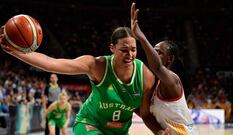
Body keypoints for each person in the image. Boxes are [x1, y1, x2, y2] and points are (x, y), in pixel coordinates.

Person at [0, 25, 168, 134]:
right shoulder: (96, 65)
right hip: (90, 123)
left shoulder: (145, 75)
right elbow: (52, 63)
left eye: (133, 49)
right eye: (124, 49)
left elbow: (145, 114)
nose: (130, 54)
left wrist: (160, 132)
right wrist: (15, 51)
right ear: (112, 48)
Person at [131, 2, 198, 135]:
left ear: (170, 59)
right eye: (154, 52)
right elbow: (146, 115)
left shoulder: (173, 80)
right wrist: (160, 132)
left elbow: (156, 67)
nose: (155, 54)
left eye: (159, 52)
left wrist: (141, 37)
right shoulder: (153, 85)